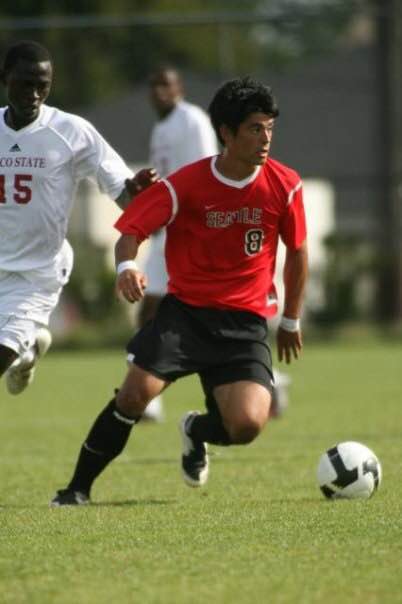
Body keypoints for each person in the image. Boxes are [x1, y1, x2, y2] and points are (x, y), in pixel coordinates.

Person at [51, 76, 308, 506]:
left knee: (246, 426)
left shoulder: (285, 185)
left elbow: (297, 252)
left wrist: (291, 319)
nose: (265, 139)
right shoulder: (186, 184)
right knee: (133, 396)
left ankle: (195, 429)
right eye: (254, 129)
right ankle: (76, 489)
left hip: (244, 324)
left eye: (269, 128)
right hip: (185, 316)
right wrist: (127, 267)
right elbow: (130, 230)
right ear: (226, 133)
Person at [0, 40, 156, 396]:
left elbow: (124, 195)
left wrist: (136, 192)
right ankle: (26, 351)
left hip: (34, 275)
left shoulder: (71, 132)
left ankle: (18, 346)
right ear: (4, 78)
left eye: (44, 85)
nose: (35, 93)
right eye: (26, 83)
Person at [140, 65, 219, 421]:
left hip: (190, 230)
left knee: (213, 314)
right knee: (150, 307)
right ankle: (146, 395)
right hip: (167, 229)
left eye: (166, 85)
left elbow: (208, 170)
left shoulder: (193, 121)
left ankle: (266, 380)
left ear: (180, 88)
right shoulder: (161, 127)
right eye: (154, 85)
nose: (160, 91)